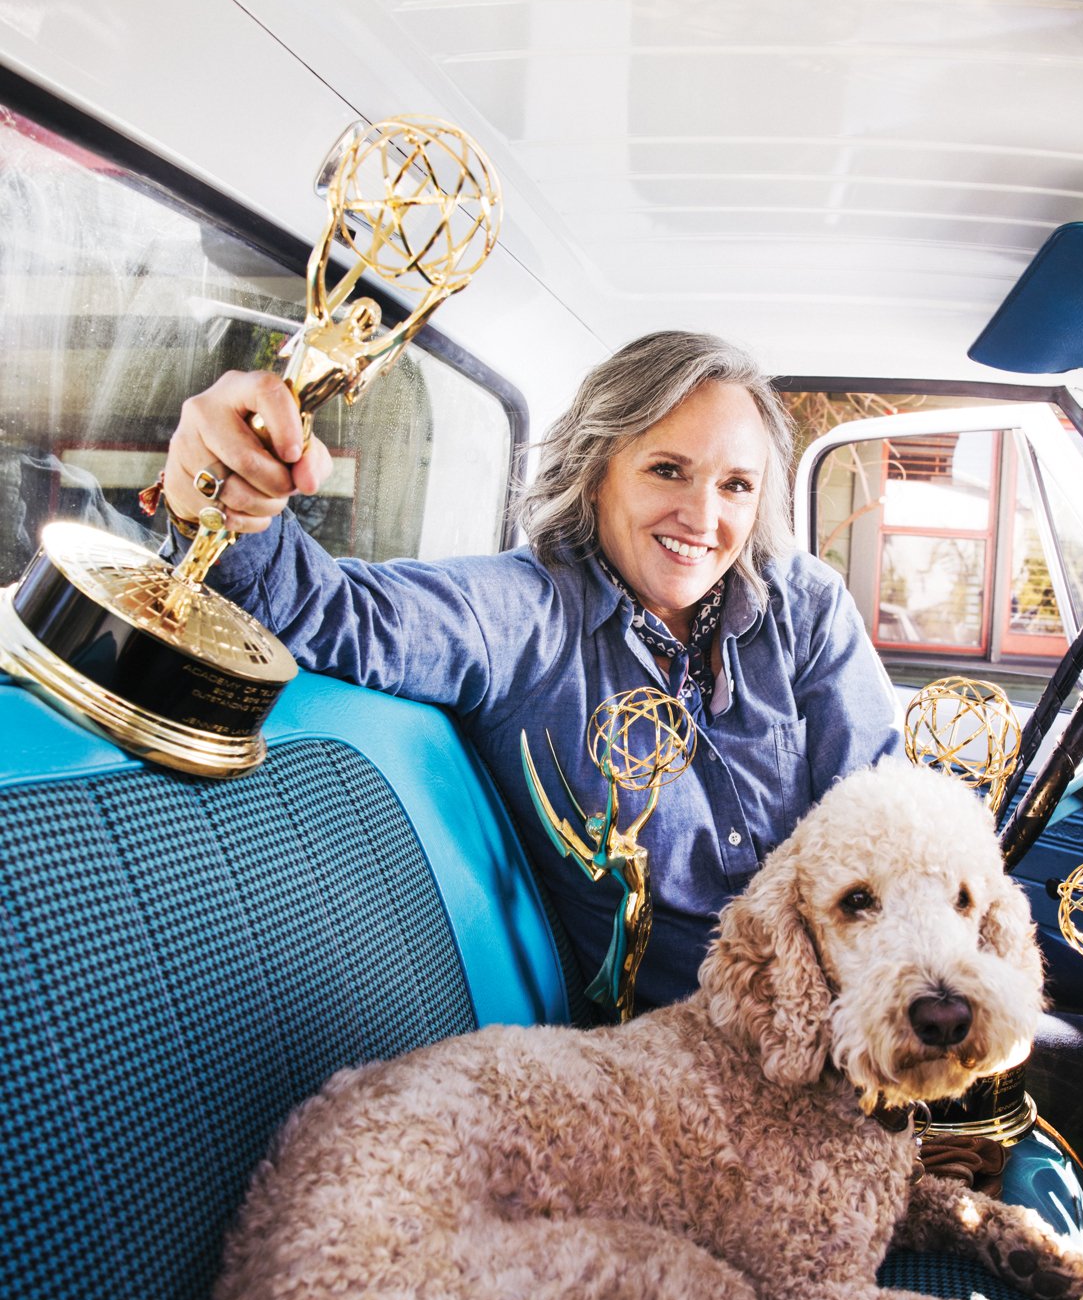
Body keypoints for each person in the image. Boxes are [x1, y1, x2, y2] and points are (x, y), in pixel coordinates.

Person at [158, 330, 900, 1011]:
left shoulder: (803, 608)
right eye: (667, 470)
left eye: (735, 485)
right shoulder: (523, 613)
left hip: (852, 1023)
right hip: (666, 1065)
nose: (703, 518)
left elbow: (886, 830)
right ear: (594, 474)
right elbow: (333, 613)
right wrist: (220, 490)